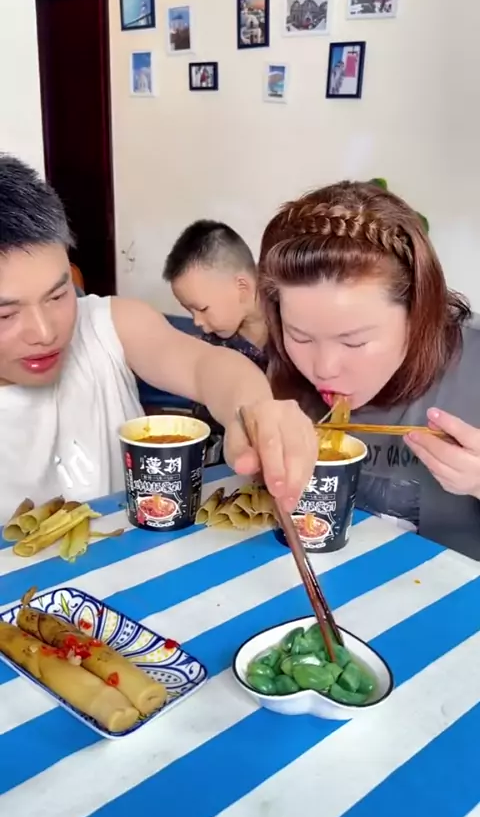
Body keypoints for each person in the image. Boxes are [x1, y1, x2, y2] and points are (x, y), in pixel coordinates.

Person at [0, 155, 317, 523]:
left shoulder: (109, 325)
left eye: (58, 296)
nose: (44, 333)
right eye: (5, 314)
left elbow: (206, 365)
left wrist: (255, 411)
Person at [258, 180, 480, 558]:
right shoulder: (283, 374)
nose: (324, 369)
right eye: (301, 337)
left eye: (354, 342)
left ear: (418, 314)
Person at [164, 220, 268, 372]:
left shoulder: (289, 316)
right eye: (190, 311)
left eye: (203, 309)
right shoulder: (217, 345)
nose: (197, 321)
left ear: (242, 287)